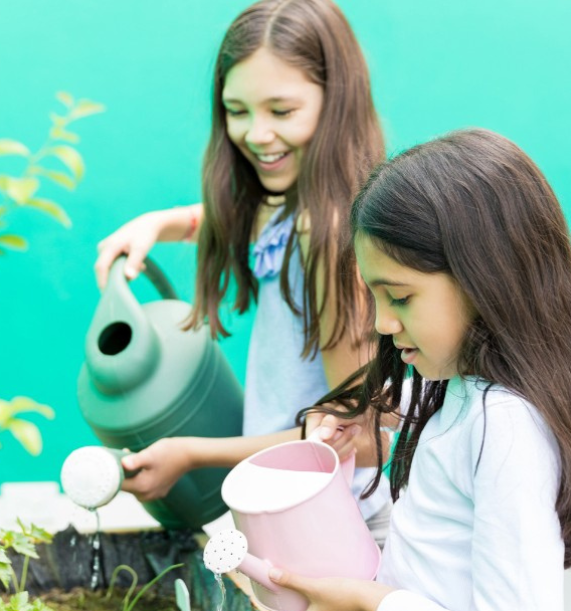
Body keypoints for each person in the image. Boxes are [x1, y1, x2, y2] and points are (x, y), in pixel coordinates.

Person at [272, 129, 571, 611]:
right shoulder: (460, 388)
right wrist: (360, 428)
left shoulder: (505, 425)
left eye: (399, 296)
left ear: (485, 278)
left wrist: (368, 603)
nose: (381, 323)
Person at [93, 0, 393, 533]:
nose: (256, 134)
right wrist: (163, 223)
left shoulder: (327, 239)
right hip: (288, 513)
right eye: (238, 110)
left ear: (336, 102)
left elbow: (360, 438)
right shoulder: (292, 207)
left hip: (332, 529)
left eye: (281, 111)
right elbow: (241, 217)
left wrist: (192, 453)